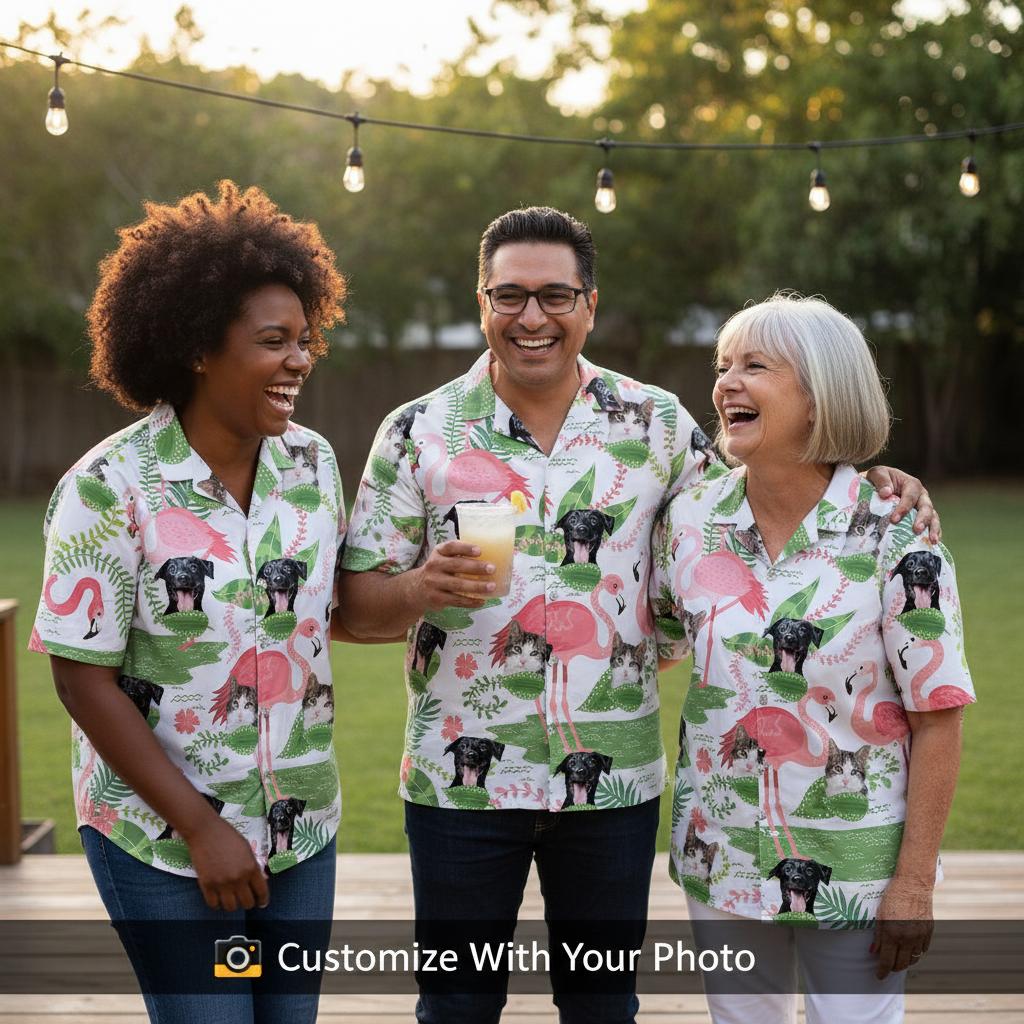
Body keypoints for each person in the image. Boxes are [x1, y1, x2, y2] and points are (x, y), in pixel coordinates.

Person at [337, 207, 937, 1024]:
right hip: (460, 784)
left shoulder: (656, 424)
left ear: (589, 304)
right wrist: (418, 589)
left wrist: (876, 480)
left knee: (602, 1005)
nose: (532, 316)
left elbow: (764, 492)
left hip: (612, 783)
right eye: (510, 296)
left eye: (555, 295)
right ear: (483, 303)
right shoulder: (415, 431)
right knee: (456, 1003)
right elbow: (354, 608)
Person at [30, 181, 348, 1024]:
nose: (300, 360)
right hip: (162, 842)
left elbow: (332, 610)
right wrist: (202, 828)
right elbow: (81, 679)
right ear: (199, 348)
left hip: (300, 826)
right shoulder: (107, 488)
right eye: (274, 342)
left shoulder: (314, 465)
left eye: (305, 340)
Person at [651, 293, 975, 1024]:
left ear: (821, 395)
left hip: (858, 867)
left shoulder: (895, 533)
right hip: (723, 853)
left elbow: (939, 716)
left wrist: (914, 884)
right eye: (722, 366)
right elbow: (664, 641)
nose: (727, 383)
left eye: (755, 366)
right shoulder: (690, 520)